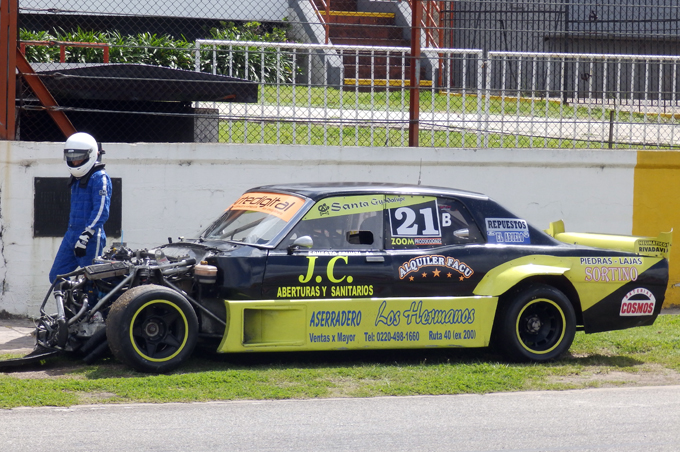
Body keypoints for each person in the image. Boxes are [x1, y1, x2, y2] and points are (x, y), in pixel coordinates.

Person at [49, 132, 112, 283]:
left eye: (79, 157)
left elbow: (101, 210)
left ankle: (90, 305)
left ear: (91, 155)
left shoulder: (100, 177)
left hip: (90, 237)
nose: (75, 162)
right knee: (56, 277)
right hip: (71, 234)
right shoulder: (77, 178)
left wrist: (86, 234)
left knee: (92, 281)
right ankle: (75, 303)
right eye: (72, 158)